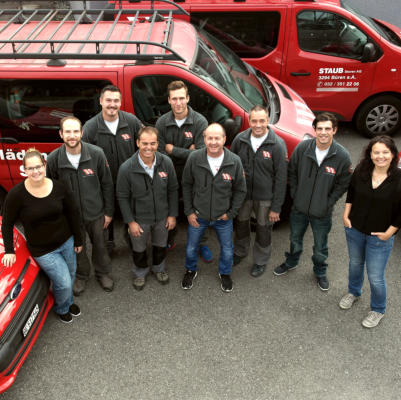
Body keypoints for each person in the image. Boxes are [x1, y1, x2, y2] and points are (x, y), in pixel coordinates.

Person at [1, 149, 83, 323]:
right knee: (64, 282)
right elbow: (7, 223)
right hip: (43, 250)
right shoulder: (16, 195)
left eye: (38, 167)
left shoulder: (59, 187)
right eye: (30, 168)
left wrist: (79, 239)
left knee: (71, 274)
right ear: (24, 170)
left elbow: (73, 213)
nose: (35, 171)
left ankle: (68, 302)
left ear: (44, 165)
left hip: (66, 241)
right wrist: (9, 250)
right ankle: (61, 308)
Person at [274, 113, 352, 291]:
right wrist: (295, 194)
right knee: (295, 239)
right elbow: (292, 171)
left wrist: (328, 202)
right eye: (320, 128)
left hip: (322, 213)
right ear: (314, 130)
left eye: (327, 129)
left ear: (334, 130)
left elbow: (343, 184)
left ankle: (320, 271)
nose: (323, 132)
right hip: (299, 208)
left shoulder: (342, 156)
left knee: (320, 246)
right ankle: (291, 262)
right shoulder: (303, 148)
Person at [47, 116, 114, 296]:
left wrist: (108, 212)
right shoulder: (53, 159)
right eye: (67, 132)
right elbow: (50, 190)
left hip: (96, 213)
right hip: (70, 217)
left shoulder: (96, 154)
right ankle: (82, 275)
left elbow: (107, 184)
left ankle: (102, 273)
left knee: (100, 245)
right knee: (78, 248)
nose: (72, 135)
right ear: (61, 134)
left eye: (75, 131)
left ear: (82, 133)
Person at [340, 136, 401, 328]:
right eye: (376, 152)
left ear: (393, 154)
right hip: (355, 229)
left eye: (385, 152)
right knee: (355, 264)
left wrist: (389, 233)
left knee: (375, 276)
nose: (380, 156)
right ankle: (354, 292)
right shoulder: (362, 170)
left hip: (380, 237)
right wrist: (346, 215)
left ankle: (378, 309)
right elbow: (351, 193)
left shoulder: (399, 178)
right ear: (370, 154)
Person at [181, 123, 247, 292]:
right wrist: (189, 212)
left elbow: (240, 190)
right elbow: (186, 185)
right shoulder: (194, 158)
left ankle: (225, 273)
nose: (213, 142)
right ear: (204, 139)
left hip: (223, 218)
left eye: (217, 138)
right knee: (191, 248)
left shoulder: (234, 161)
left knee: (227, 250)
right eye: (209, 138)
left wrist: (231, 213)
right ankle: (190, 270)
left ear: (224, 139)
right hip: (198, 216)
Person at [156, 80, 212, 261]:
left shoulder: (199, 121)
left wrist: (173, 150)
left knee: (198, 209)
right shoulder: (162, 123)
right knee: (167, 208)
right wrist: (189, 151)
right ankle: (168, 239)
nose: (178, 103)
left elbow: (201, 154)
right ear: (169, 100)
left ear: (188, 98)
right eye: (174, 99)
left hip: (194, 174)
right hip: (169, 173)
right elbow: (159, 153)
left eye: (181, 98)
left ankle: (201, 243)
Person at [116, 126, 179, 291]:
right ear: (137, 143)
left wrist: (172, 215)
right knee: (139, 249)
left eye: (152, 143)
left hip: (162, 217)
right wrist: (130, 222)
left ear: (157, 144)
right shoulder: (126, 168)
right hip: (139, 219)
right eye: (144, 143)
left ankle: (159, 269)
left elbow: (173, 190)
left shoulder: (166, 163)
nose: (148, 147)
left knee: (160, 245)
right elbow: (122, 197)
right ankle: (140, 272)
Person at [82, 85, 143, 253]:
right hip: (102, 184)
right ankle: (108, 244)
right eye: (108, 100)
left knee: (131, 213)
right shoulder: (90, 127)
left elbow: (145, 144)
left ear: (120, 102)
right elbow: (84, 158)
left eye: (116, 100)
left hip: (129, 182)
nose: (112, 104)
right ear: (101, 101)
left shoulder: (131, 121)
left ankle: (131, 239)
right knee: (105, 218)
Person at [231, 105, 288, 277]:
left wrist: (276, 207)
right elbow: (231, 165)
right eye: (254, 121)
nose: (258, 125)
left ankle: (261, 260)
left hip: (265, 198)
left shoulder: (277, 144)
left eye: (262, 121)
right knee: (241, 224)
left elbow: (281, 179)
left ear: (267, 120)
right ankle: (240, 251)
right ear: (249, 121)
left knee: (264, 229)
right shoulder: (240, 140)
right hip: (243, 195)